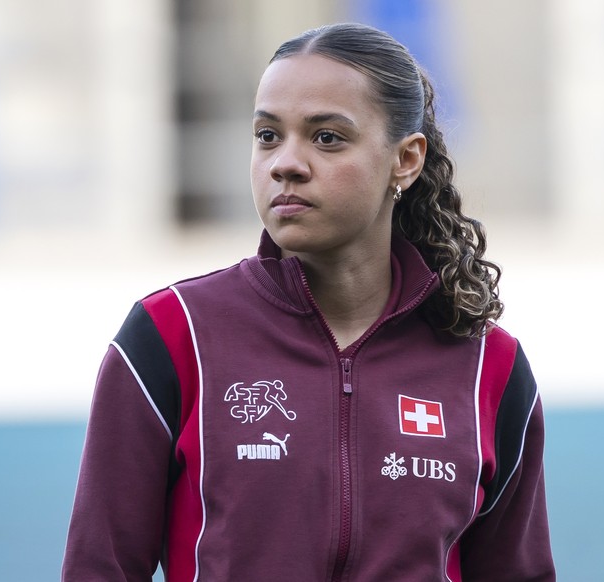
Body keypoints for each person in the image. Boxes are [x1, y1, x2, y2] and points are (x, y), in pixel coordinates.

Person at [62, 22, 555, 581]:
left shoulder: (489, 367)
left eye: (326, 138)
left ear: (406, 159)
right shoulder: (172, 335)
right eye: (267, 135)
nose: (285, 163)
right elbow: (98, 569)